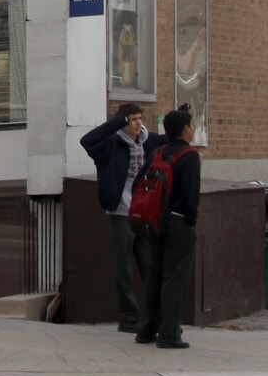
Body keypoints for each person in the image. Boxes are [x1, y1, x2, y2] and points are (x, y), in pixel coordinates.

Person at [79, 102, 156, 332]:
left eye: (140, 118)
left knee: (150, 266)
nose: (138, 123)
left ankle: (154, 314)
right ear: (122, 123)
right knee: (123, 269)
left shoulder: (149, 142)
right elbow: (87, 141)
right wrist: (117, 122)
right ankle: (128, 317)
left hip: (144, 213)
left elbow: (171, 142)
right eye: (132, 119)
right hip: (120, 212)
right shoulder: (109, 145)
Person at [136, 106, 202, 350]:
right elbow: (191, 195)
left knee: (154, 275)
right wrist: (190, 221)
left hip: (153, 221)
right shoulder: (190, 156)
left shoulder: (156, 152)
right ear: (185, 129)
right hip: (178, 222)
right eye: (192, 125)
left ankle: (146, 329)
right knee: (175, 279)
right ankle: (169, 333)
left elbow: (138, 183)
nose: (193, 129)